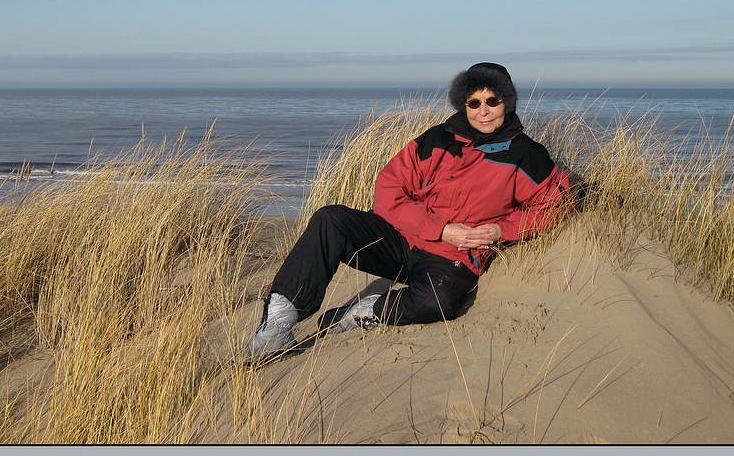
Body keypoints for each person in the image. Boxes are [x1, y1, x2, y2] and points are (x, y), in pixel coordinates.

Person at [244, 62, 571, 361]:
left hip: (451, 256)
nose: (483, 111)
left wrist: (503, 230)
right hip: (400, 240)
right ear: (463, 105)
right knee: (331, 219)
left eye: (493, 101)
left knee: (438, 302)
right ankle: (277, 324)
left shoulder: (526, 154)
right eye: (474, 103)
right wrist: (441, 227)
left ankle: (361, 312)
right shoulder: (436, 140)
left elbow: (556, 200)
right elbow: (388, 191)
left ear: (507, 102)